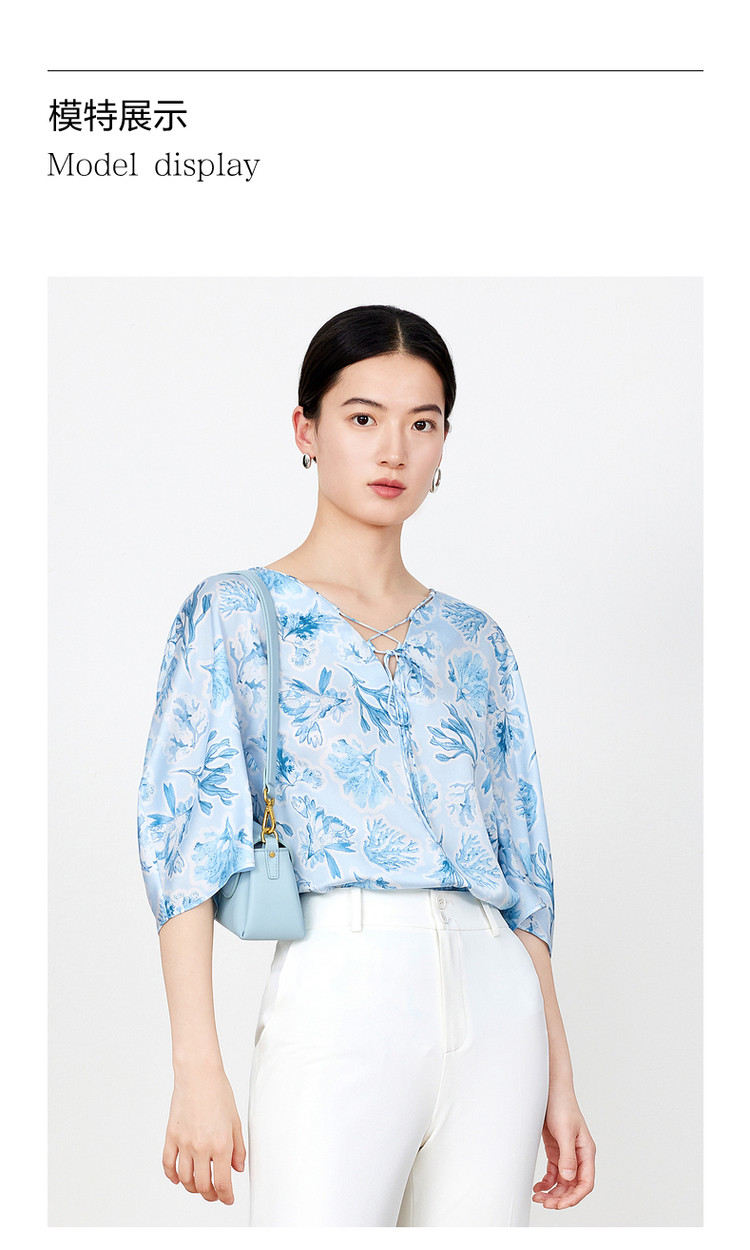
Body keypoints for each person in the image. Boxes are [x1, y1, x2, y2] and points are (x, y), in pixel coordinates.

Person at [137, 303, 596, 1227]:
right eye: (362, 417)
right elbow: (184, 844)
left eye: (422, 423)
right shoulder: (236, 613)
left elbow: (522, 872)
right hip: (339, 984)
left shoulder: (475, 642)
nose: (394, 450)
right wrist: (196, 1066)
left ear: (444, 443)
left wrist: (560, 1072)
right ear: (305, 430)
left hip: (496, 1001)